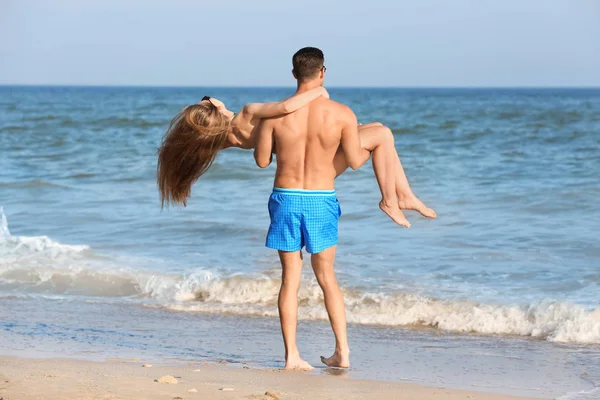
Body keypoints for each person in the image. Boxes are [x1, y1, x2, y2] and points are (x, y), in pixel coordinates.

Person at [156, 81, 436, 228]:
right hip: (320, 163)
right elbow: (288, 107)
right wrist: (317, 92)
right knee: (383, 135)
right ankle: (390, 200)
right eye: (210, 102)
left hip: (308, 155)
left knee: (376, 129)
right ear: (215, 109)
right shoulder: (248, 112)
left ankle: (405, 195)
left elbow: (192, 141)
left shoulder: (222, 139)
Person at [254, 47, 366, 370]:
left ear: (293, 74)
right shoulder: (342, 113)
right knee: (327, 276)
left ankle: (292, 357)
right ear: (323, 73)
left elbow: (262, 161)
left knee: (290, 279)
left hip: (286, 198)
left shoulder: (274, 115)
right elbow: (357, 161)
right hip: (321, 199)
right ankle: (342, 352)